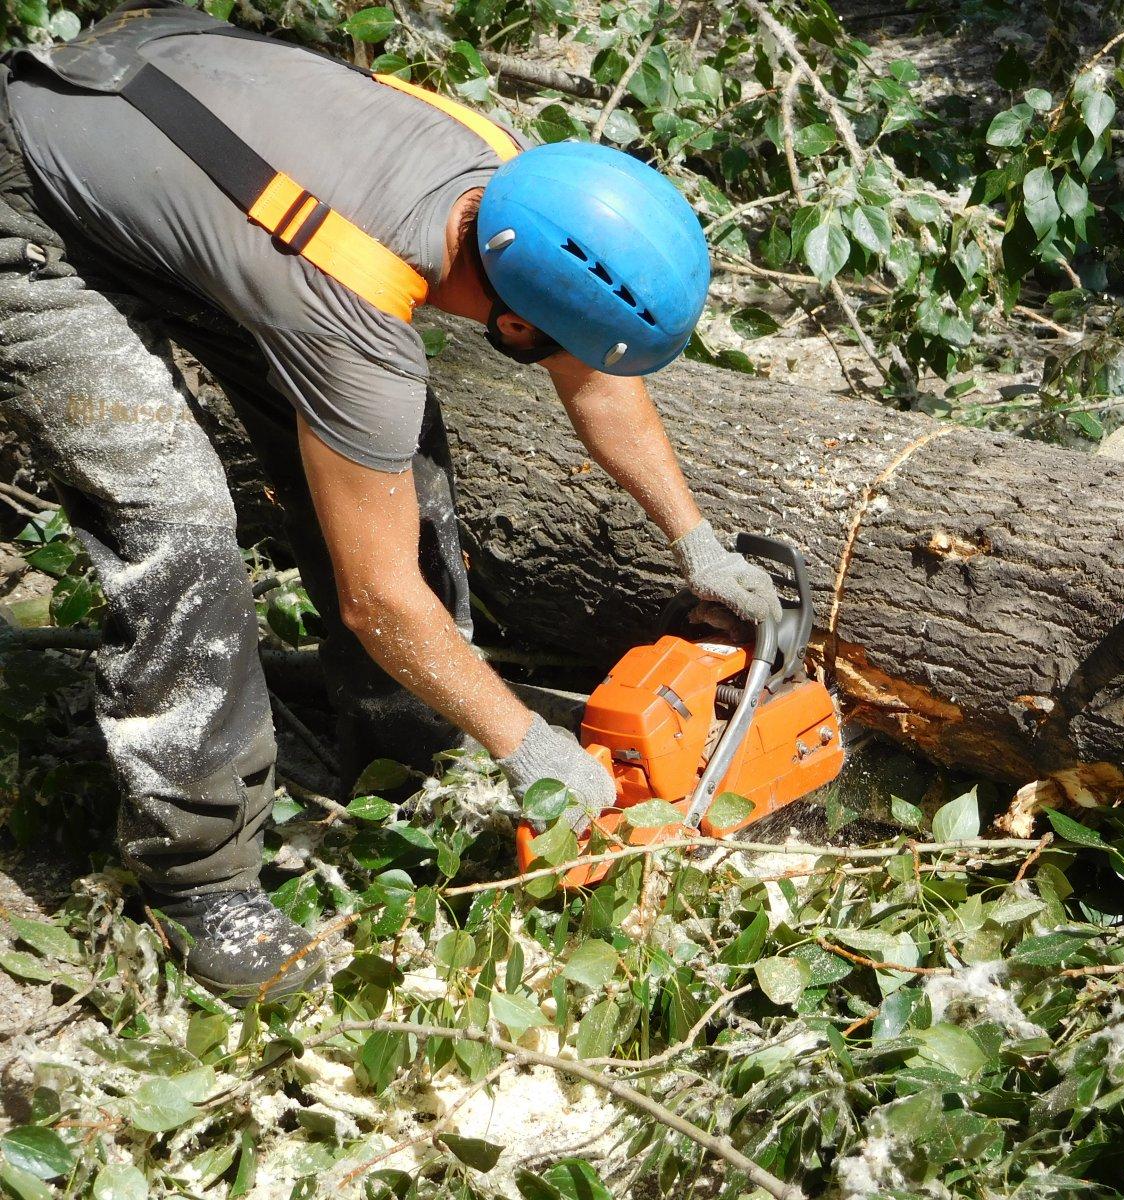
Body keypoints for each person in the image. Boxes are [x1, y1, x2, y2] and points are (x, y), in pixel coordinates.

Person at [0, 0, 781, 1003]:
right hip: (35, 192)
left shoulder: (520, 188)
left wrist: (698, 542)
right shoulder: (354, 310)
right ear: (509, 325)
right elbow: (379, 595)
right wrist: (532, 745)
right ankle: (199, 879)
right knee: (176, 524)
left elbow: (594, 366)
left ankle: (409, 755)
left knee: (392, 460)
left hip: (187, 141)